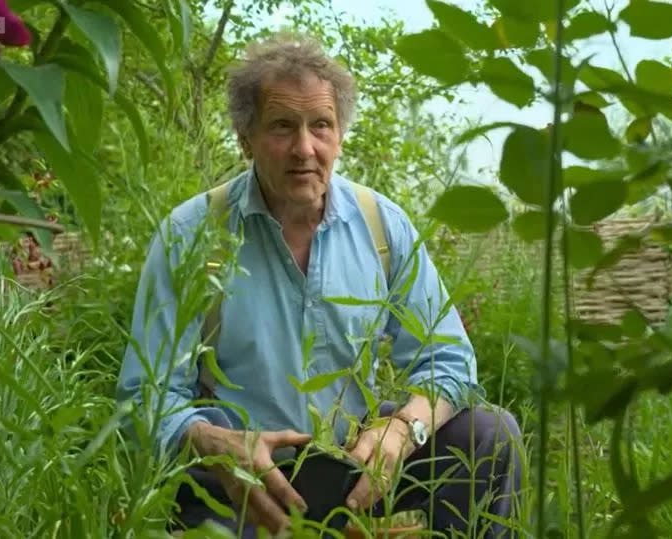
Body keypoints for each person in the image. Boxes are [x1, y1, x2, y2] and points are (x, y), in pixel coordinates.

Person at [116, 32, 522, 538]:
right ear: (245, 138)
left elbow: (449, 361)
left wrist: (401, 430)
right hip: (238, 481)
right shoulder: (191, 236)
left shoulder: (381, 225)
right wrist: (212, 441)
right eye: (283, 126)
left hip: (356, 466)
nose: (304, 148)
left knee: (491, 435)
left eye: (321, 126)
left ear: (340, 135)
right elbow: (144, 397)